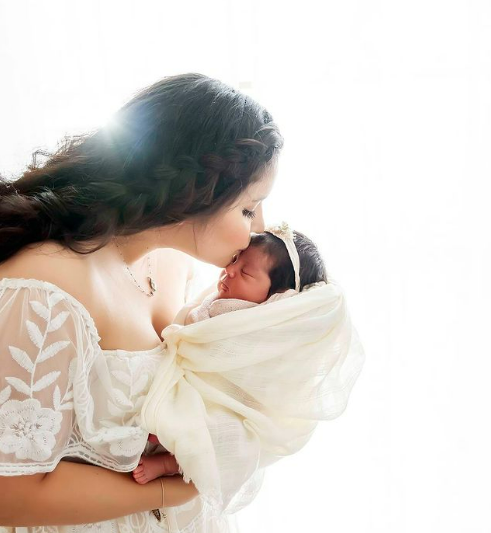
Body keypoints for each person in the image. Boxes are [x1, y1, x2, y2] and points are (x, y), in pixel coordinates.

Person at [0, 73, 283, 532]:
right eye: (248, 209)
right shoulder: (46, 289)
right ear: (193, 194)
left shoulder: (170, 264)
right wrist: (177, 487)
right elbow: (11, 493)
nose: (260, 229)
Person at [136, 223, 365, 515]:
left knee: (227, 438)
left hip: (226, 405)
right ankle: (174, 435)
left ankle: (169, 462)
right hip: (196, 385)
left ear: (277, 298)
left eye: (245, 273)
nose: (229, 272)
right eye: (234, 261)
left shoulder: (260, 326)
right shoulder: (224, 298)